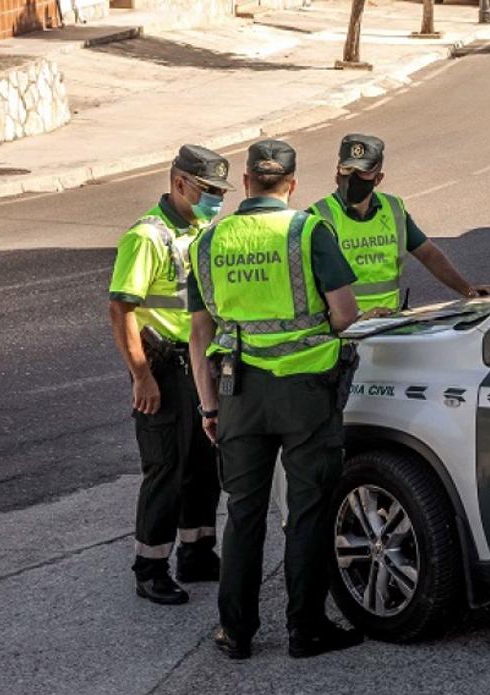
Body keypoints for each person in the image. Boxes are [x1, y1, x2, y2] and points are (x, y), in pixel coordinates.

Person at [188, 139, 365, 661]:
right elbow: (346, 313)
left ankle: (236, 633)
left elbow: (199, 334)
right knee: (307, 512)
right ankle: (305, 629)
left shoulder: (208, 241)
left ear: (244, 183)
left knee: (243, 514)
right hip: (306, 393)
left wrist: (208, 407)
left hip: (236, 391)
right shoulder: (307, 230)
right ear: (291, 184)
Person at [108, 145, 231, 605]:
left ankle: (197, 552)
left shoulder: (204, 231)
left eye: (220, 191)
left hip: (201, 363)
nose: (215, 199)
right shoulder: (148, 236)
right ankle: (150, 566)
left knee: (204, 466)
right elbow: (121, 309)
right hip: (164, 368)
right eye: (207, 190)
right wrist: (142, 376)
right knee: (166, 469)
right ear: (179, 183)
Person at [308, 134, 490, 314]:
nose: (352, 178)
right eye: (347, 170)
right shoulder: (317, 217)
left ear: (378, 179)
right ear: (337, 172)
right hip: (341, 330)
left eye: (362, 172)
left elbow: (428, 254)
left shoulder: (393, 210)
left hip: (388, 323)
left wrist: (467, 290)